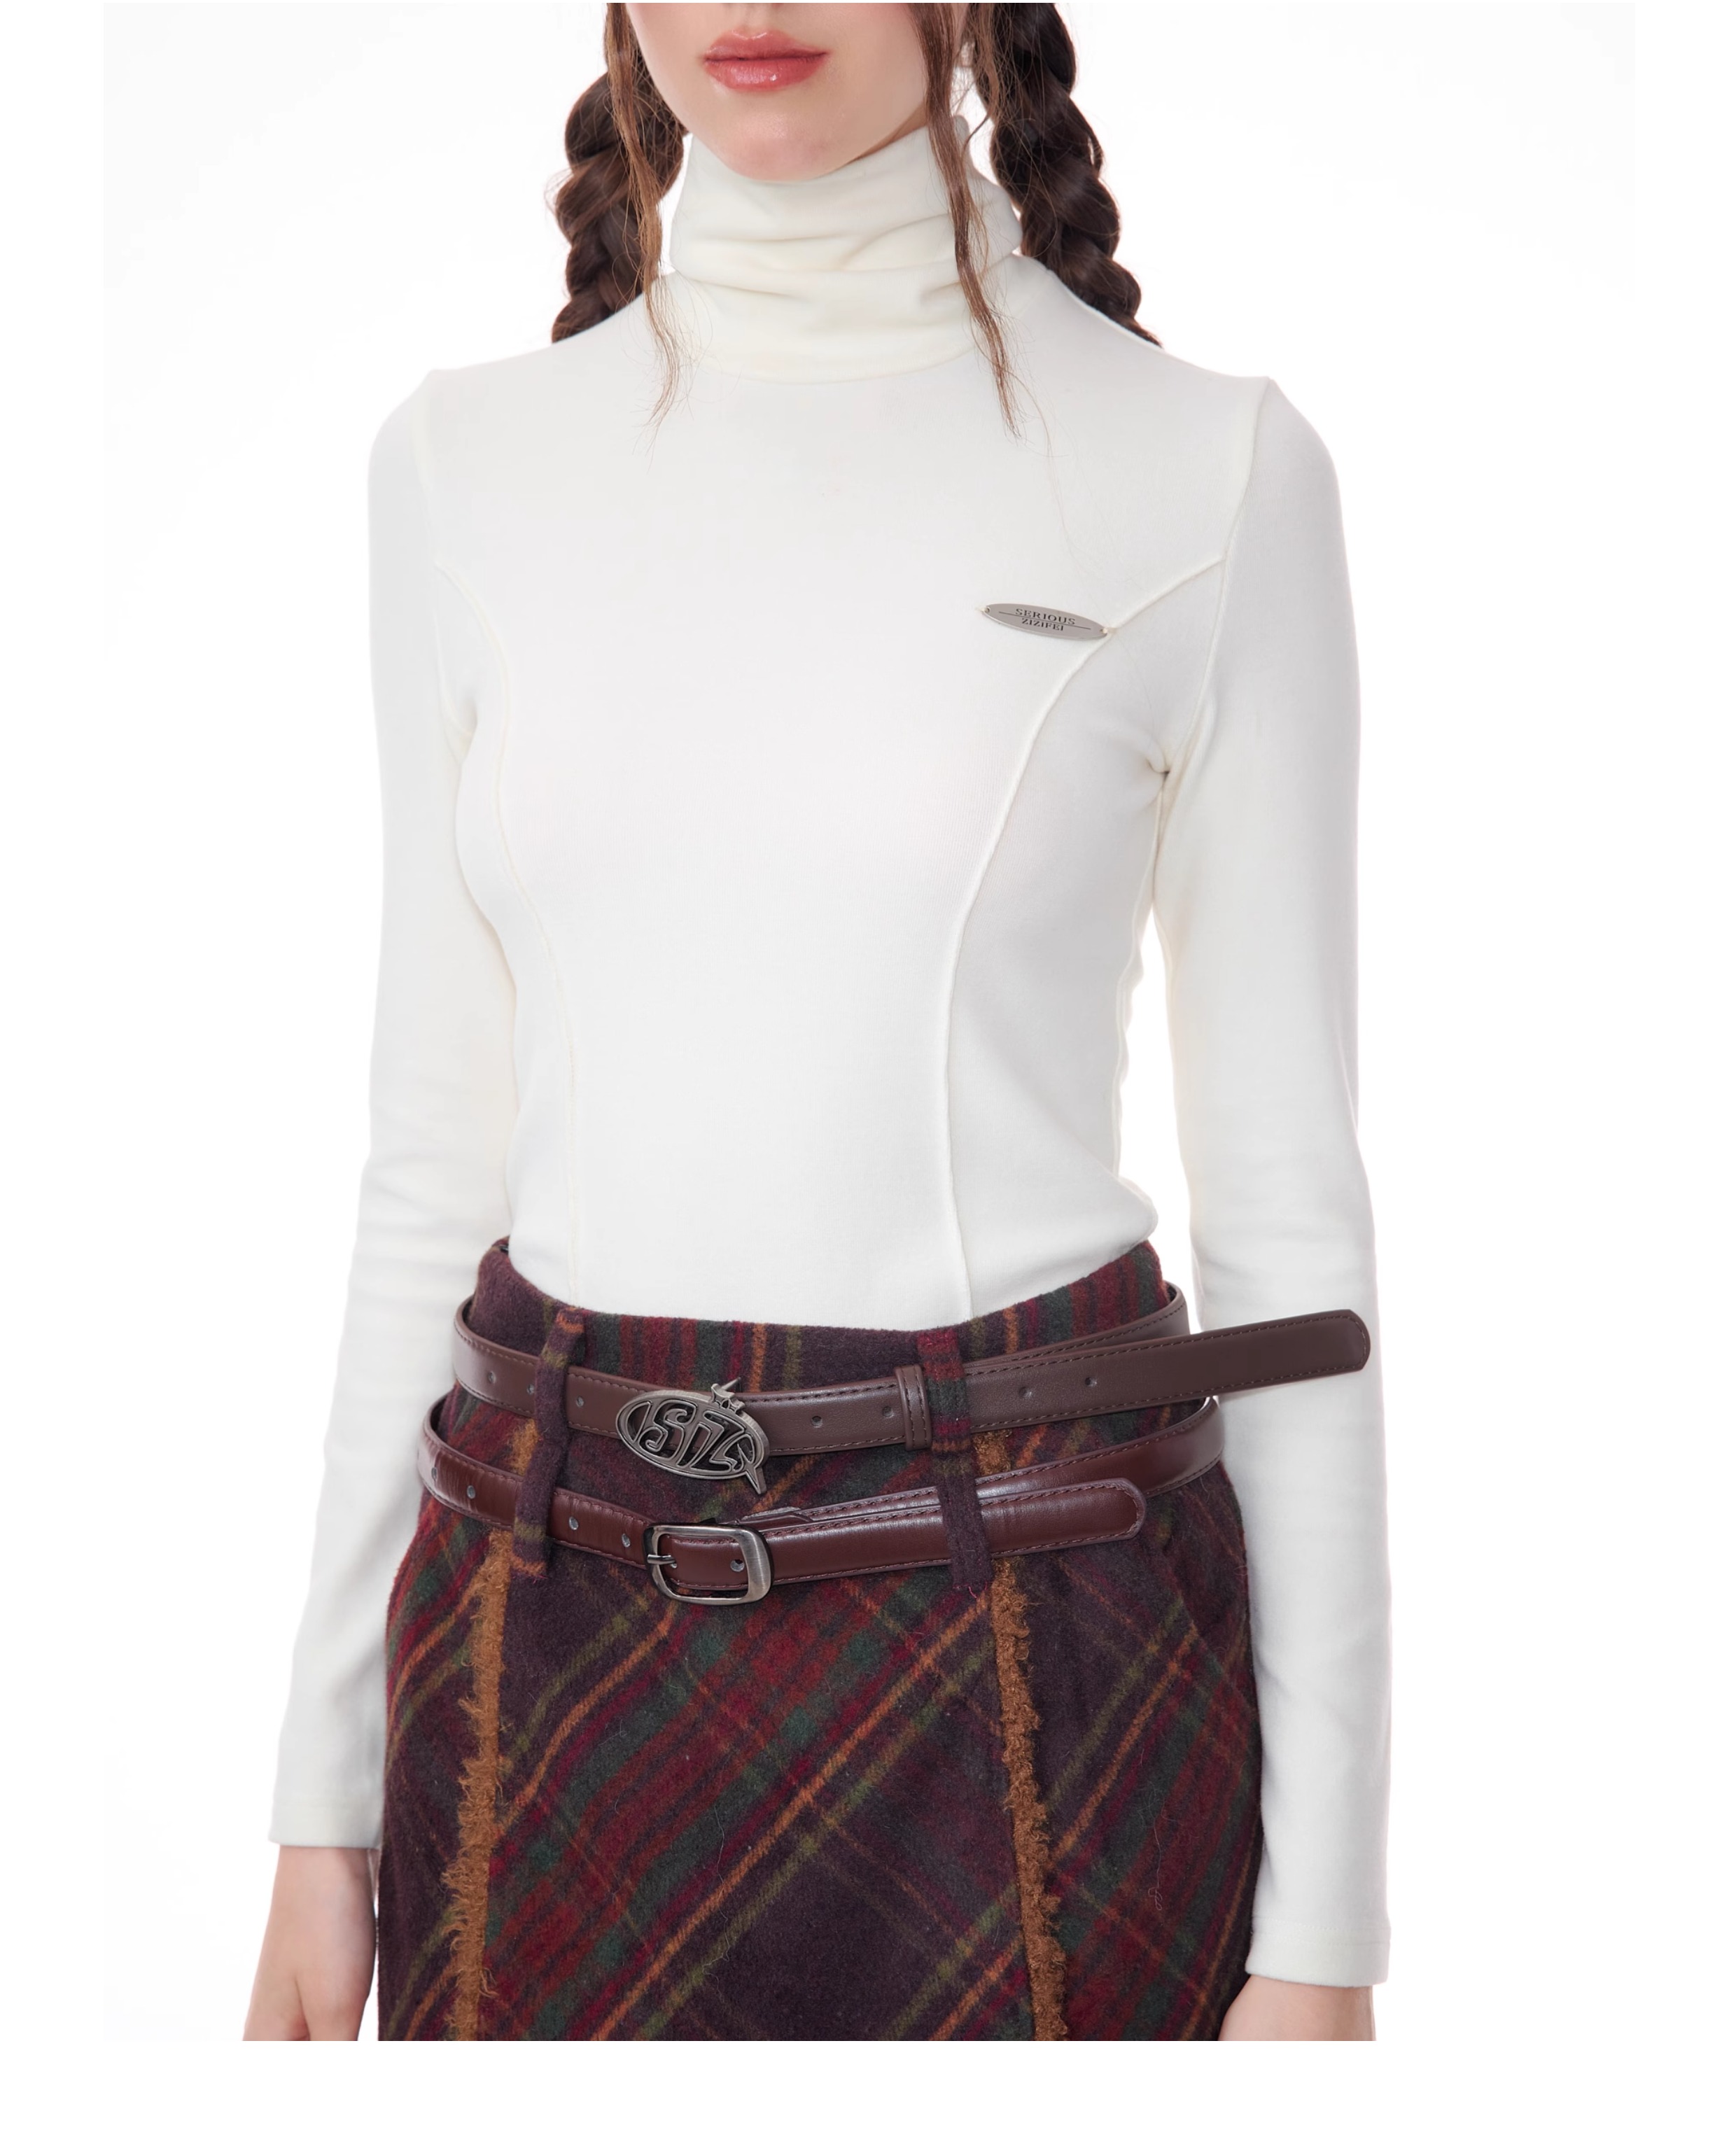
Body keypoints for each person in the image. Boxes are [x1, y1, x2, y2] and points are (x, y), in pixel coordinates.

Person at [246, 1, 1389, 2042]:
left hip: (1048, 1644)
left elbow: (1291, 1225)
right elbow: (428, 1166)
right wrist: (318, 1819)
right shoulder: (456, 467)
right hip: (537, 1662)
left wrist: (1326, 1940)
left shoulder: (1211, 469)